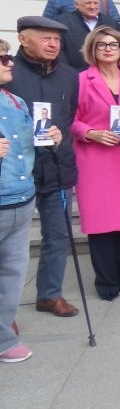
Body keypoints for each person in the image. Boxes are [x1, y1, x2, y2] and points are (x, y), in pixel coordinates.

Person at [6, 17, 79, 318]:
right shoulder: (9, 73)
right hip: (15, 173)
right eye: (45, 38)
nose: (53, 45)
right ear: (23, 39)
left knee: (58, 236)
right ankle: (5, 313)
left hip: (58, 167)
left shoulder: (69, 75)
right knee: (9, 249)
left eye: (57, 40)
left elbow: (68, 116)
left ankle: (49, 294)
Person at [71, 26, 120, 300]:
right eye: (101, 44)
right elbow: (68, 119)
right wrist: (90, 132)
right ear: (92, 49)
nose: (107, 49)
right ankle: (107, 282)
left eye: (113, 44)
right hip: (95, 159)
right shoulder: (81, 80)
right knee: (101, 222)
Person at [0, 39, 41, 363]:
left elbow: (29, 146)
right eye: (3, 58)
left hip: (22, 200)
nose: (10, 62)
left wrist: (49, 138)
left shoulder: (15, 101)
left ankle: (3, 338)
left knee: (13, 275)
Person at [56, 0, 119, 71]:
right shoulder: (62, 22)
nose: (92, 7)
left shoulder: (111, 23)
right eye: (88, 3)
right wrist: (69, 71)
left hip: (103, 73)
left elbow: (116, 48)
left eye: (96, 3)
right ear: (76, 4)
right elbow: (59, 50)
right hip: (72, 73)